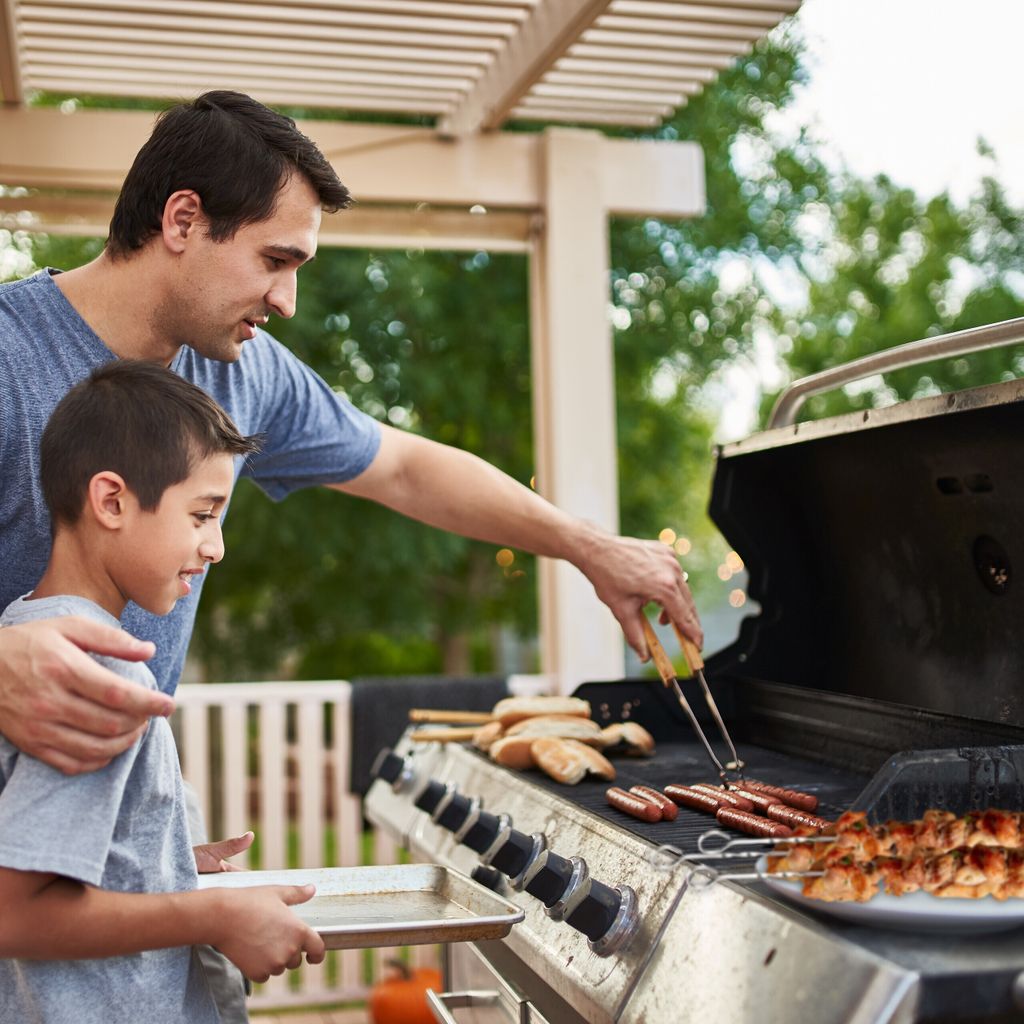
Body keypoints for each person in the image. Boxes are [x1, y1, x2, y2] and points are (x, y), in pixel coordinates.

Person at [0, 89, 702, 772]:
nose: (287, 300)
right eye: (274, 261)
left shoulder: (246, 374)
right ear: (183, 220)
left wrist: (589, 548)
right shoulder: (9, 355)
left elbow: (403, 469)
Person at [0, 360, 325, 1022]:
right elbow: (16, 911)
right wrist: (215, 912)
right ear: (111, 500)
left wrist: (159, 858)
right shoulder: (99, 671)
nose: (217, 547)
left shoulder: (23, 636)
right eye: (203, 514)